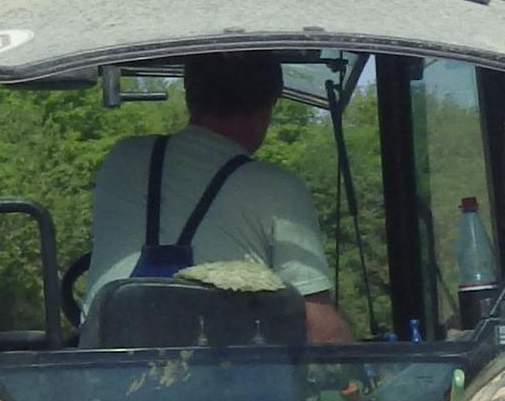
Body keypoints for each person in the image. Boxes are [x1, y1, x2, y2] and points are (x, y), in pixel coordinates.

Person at [81, 53, 348, 344]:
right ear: (266, 109)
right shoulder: (277, 187)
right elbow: (320, 330)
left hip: (107, 377)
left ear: (189, 96)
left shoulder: (122, 159)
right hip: (223, 383)